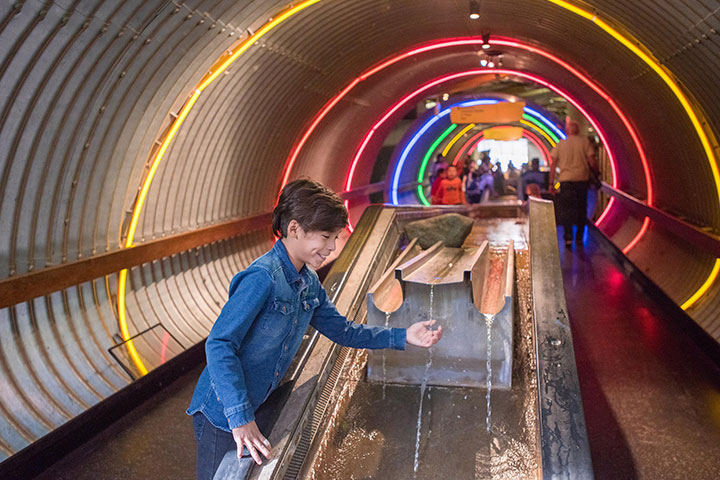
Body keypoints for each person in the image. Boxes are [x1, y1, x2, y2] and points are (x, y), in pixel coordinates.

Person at [186, 179, 443, 479]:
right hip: (222, 413)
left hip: (260, 403)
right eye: (325, 236)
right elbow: (219, 344)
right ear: (294, 229)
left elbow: (344, 331)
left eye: (335, 237)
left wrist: (402, 335)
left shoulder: (308, 283)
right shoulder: (262, 278)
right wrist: (240, 418)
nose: (332, 247)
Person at [549, 121, 598, 248]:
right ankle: (580, 238)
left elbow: (553, 165)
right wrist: (597, 174)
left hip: (565, 181)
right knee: (581, 209)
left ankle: (568, 238)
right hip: (582, 180)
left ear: (567, 131)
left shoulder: (561, 144)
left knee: (567, 210)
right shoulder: (585, 142)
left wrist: (551, 184)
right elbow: (592, 161)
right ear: (578, 130)